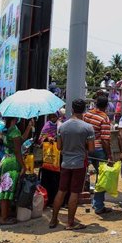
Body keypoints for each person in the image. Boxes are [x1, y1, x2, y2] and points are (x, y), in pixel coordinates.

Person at [49, 99, 95, 230]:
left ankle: (53, 219)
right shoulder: (87, 128)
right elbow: (91, 149)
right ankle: (70, 223)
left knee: (61, 190)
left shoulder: (62, 126)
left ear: (72, 109)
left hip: (65, 163)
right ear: (84, 110)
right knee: (74, 192)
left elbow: (58, 146)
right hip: (79, 163)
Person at [83, 95, 114, 215]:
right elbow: (105, 139)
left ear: (95, 103)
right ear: (106, 106)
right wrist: (109, 155)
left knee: (84, 174)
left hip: (86, 148)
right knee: (101, 178)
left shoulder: (87, 114)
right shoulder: (104, 118)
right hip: (99, 149)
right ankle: (98, 205)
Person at [38, 113, 61, 207]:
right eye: (50, 117)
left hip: (57, 155)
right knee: (47, 178)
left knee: (56, 179)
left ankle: (54, 200)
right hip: (47, 155)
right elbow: (40, 139)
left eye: (54, 116)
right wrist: (47, 138)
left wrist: (56, 139)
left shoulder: (61, 125)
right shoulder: (46, 126)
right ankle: (46, 199)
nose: (52, 119)